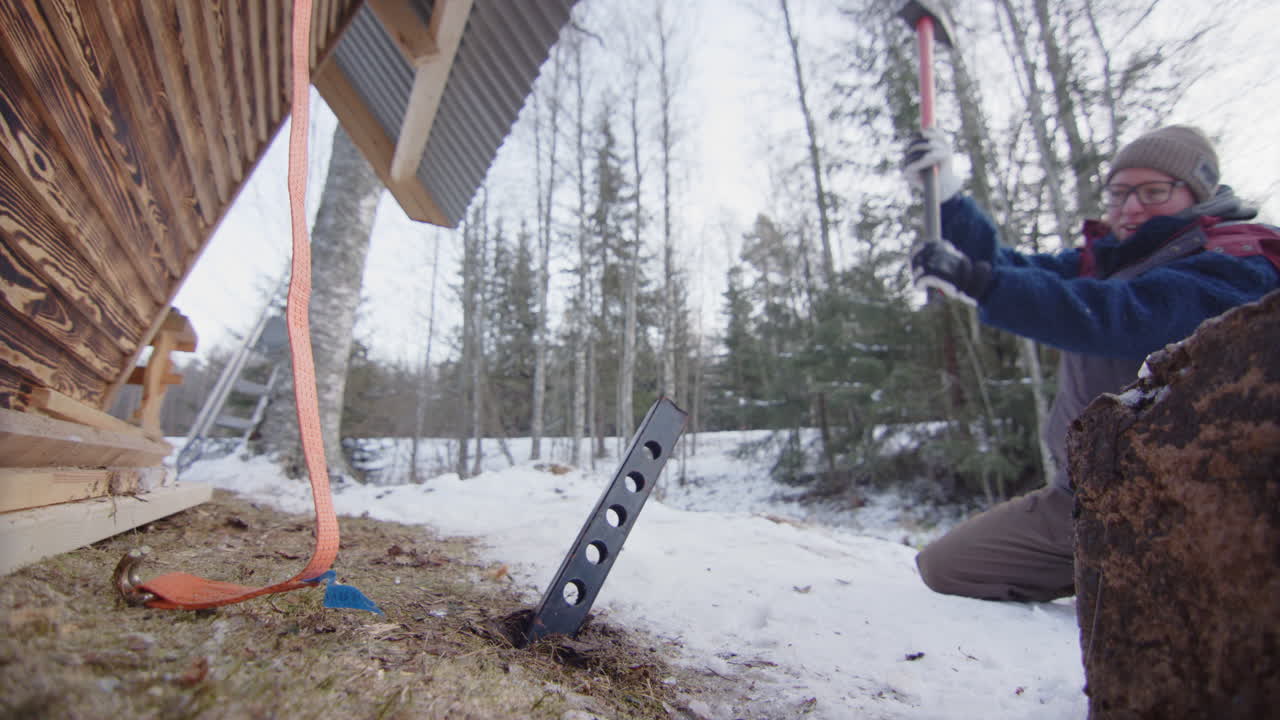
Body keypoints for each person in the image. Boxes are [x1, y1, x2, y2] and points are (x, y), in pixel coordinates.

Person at [901, 124, 1280, 602]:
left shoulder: (1238, 262)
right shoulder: (1109, 261)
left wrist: (982, 285)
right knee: (946, 567)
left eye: (1153, 191)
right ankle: (1120, 571)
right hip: (1089, 497)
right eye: (1119, 193)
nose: (1131, 207)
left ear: (1197, 193)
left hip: (1197, 504)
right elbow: (1015, 269)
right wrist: (949, 198)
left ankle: (1158, 579)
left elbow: (1125, 316)